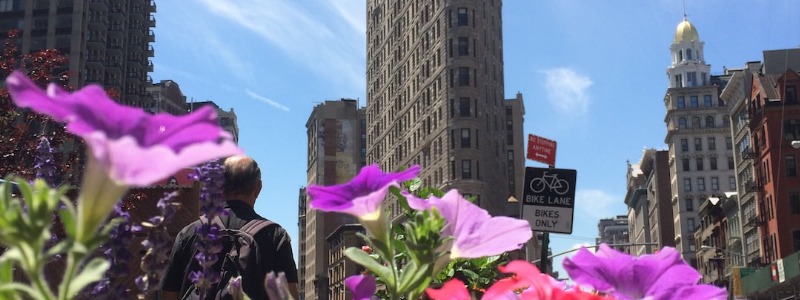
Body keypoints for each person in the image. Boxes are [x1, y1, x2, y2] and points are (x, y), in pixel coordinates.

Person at [161, 155, 299, 299]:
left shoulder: (188, 234)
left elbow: (169, 295)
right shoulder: (275, 236)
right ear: (258, 188)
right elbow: (288, 295)